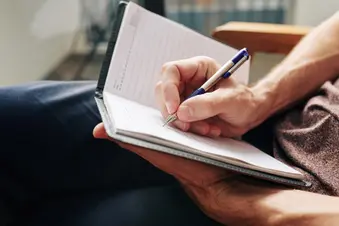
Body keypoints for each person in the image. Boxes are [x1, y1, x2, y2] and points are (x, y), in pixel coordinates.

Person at [1, 10, 339, 226]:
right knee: (11, 118)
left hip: (301, 206)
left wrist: (249, 205)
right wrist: (259, 100)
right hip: (282, 123)